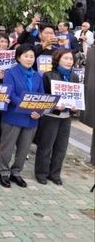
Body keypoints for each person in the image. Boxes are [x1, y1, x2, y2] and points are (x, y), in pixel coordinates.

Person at [0, 44, 44, 188]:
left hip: (31, 119)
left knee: (24, 149)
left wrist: (39, 112)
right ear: (18, 57)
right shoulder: (10, 73)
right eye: (26, 56)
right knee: (8, 147)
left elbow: (42, 96)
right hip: (14, 116)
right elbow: (10, 94)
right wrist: (28, 106)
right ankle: (3, 172)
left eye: (32, 56)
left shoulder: (37, 75)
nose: (29, 59)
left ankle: (16, 172)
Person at [35, 49, 78, 185]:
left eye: (70, 59)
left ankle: (55, 174)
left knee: (61, 147)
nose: (68, 61)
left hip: (66, 117)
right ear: (58, 60)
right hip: (50, 116)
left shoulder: (74, 77)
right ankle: (41, 173)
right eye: (65, 58)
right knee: (46, 146)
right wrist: (54, 105)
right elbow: (44, 97)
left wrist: (75, 107)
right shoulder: (48, 75)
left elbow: (77, 97)